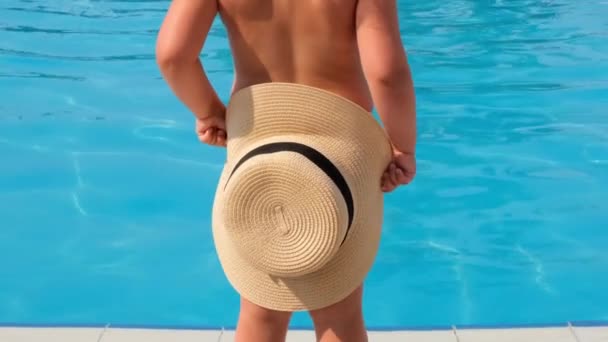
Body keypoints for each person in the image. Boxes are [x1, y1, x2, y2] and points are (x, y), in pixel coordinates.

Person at [155, 0, 417, 341]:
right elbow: (386, 73)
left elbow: (173, 55)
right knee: (340, 315)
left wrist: (209, 111)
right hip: (341, 155)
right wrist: (402, 147)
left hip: (258, 145)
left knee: (260, 312)